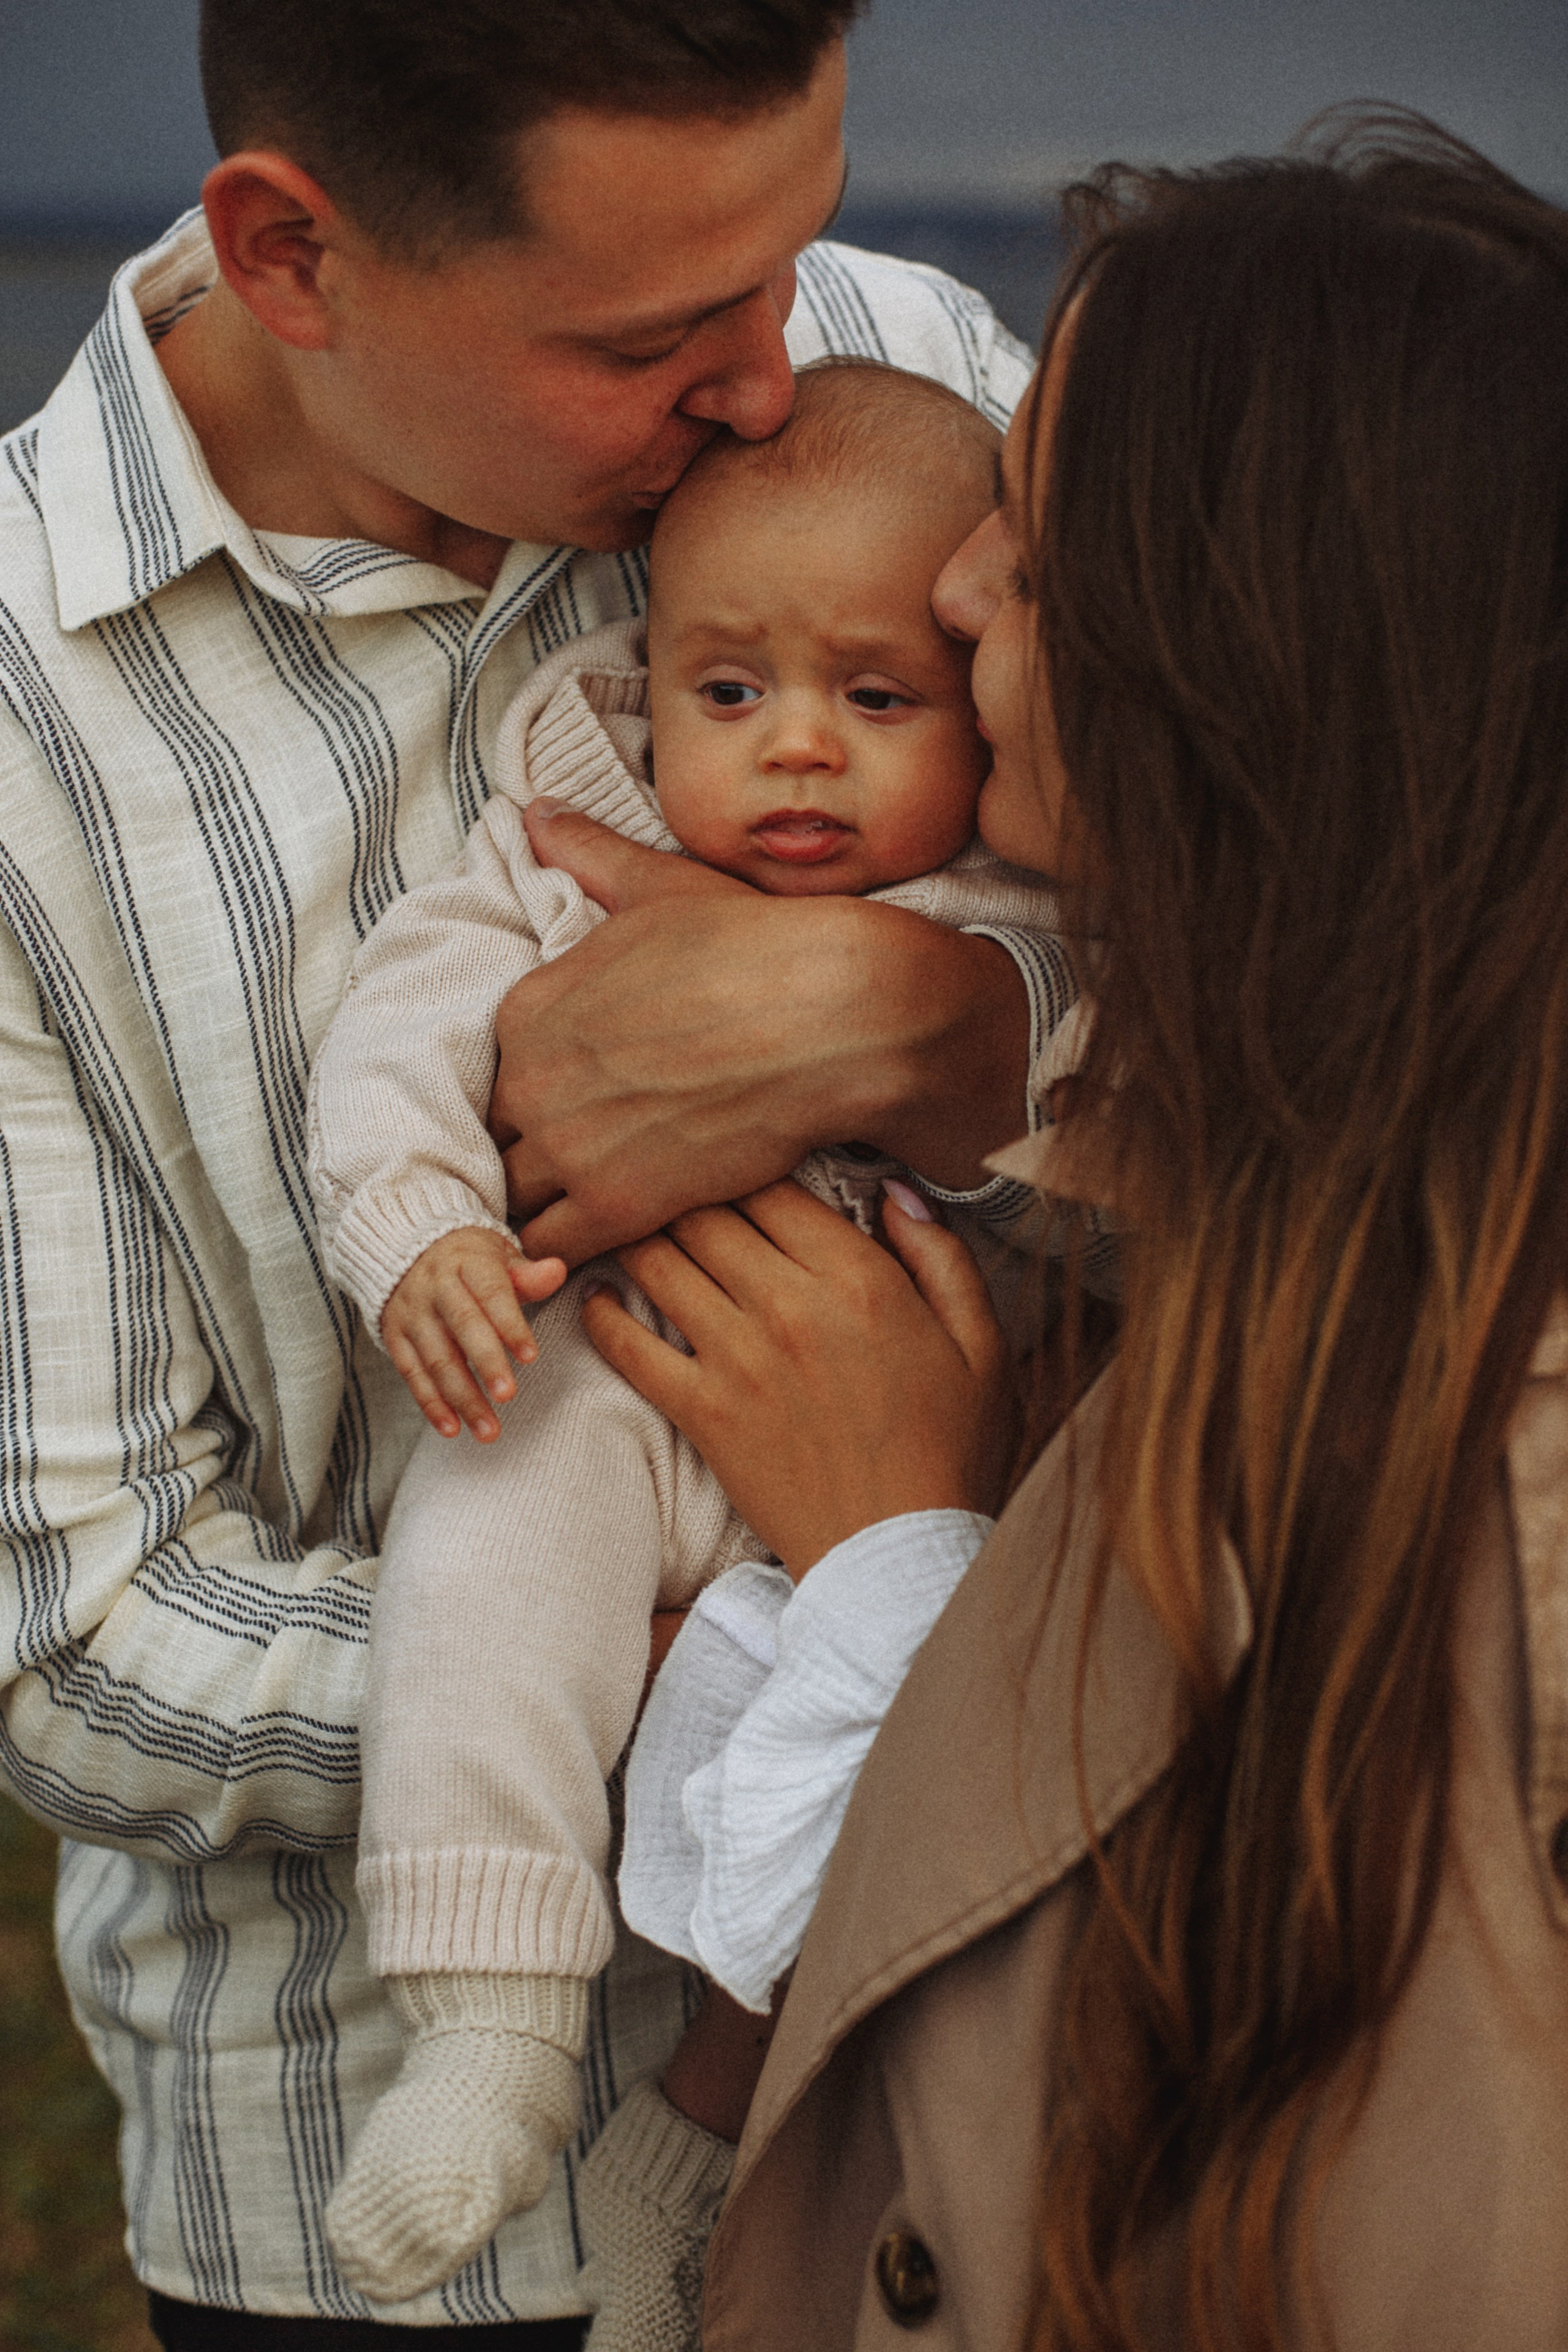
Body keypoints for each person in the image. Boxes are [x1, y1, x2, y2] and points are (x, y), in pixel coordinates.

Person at [0, 3, 1048, 2342]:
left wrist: (936, 1023)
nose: (772, 379)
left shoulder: (915, 379)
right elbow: (71, 1639)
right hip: (378, 2203)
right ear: (294, 255)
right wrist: (725, 1666)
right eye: (658, 337)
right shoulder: (20, 721)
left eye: (794, 249)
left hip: (983, 2087)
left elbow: (1262, 972)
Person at [571, 119, 1568, 2348]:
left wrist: (890, 1564)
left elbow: (1198, 2113)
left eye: (1030, 543)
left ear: (1236, 653)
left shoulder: (1501, 1450)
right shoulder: (1286, 1176)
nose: (948, 588)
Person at [304, 358, 1069, 2309]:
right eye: (731, 694)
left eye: (878, 700)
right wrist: (419, 1228)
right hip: (620, 1394)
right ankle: (489, 2014)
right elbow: (406, 1022)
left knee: (897, 1779)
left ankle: (703, 2156)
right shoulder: (573, 841)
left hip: (946, 1445)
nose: (797, 751)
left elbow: (1122, 1095)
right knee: (486, 1544)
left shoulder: (1021, 898)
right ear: (652, 680)